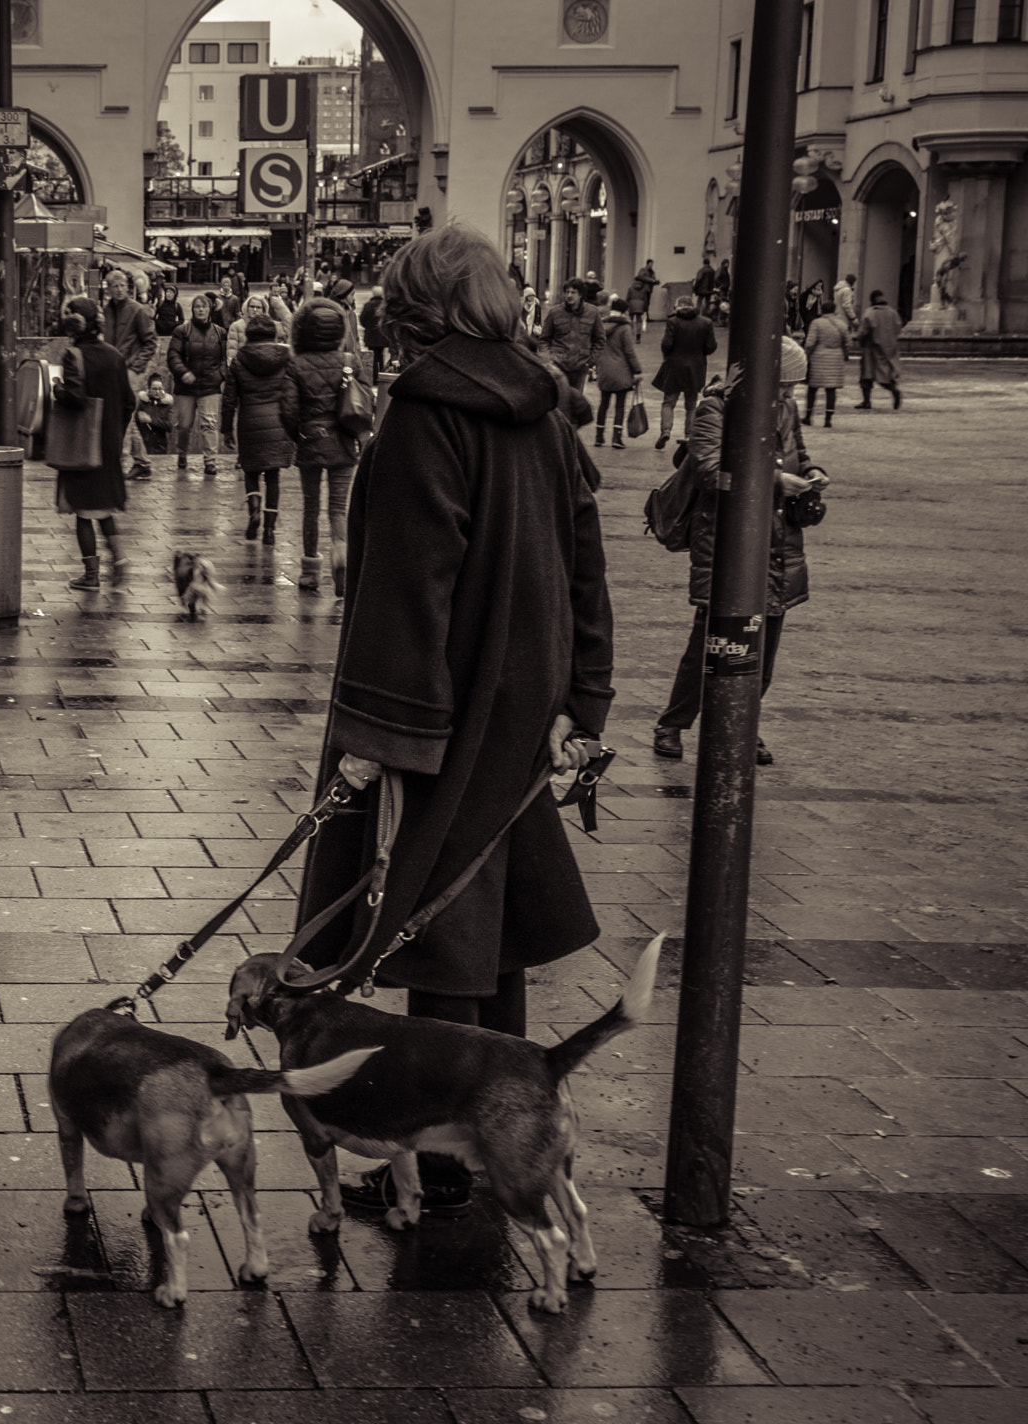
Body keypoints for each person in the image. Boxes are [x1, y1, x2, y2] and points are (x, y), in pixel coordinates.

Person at [292, 223, 614, 1218]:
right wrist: (583, 698)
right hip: (518, 700)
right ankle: (492, 1121)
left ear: (418, 305)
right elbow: (583, 566)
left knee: (435, 927)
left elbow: (405, 588)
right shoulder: (547, 411)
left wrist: (375, 743)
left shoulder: (425, 414)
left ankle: (442, 1151)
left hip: (439, 705)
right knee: (488, 926)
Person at [652, 337, 824, 768]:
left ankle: (743, 720)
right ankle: (672, 722)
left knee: (764, 645)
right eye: (784, 385)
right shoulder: (714, 409)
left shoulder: (786, 409)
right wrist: (775, 482)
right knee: (711, 641)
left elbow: (798, 454)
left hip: (778, 538)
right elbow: (711, 471)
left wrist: (812, 472)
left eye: (793, 386)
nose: (790, 394)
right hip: (725, 539)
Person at [53, 296, 137, 590]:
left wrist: (59, 390)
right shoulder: (115, 355)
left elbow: (76, 398)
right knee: (104, 508)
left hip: (82, 444)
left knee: (83, 510)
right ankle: (121, 561)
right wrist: (115, 432)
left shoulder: (73, 355)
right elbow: (130, 401)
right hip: (109, 443)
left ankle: (91, 575)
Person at [287, 294, 361, 594]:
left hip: (311, 442)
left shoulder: (297, 364)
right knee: (339, 509)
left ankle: (310, 572)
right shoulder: (349, 361)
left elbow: (288, 410)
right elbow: (363, 403)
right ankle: (341, 557)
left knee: (311, 508)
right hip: (343, 443)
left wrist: (299, 435)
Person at [223, 313, 299, 545]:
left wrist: (226, 429)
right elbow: (293, 392)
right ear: (272, 334)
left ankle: (254, 508)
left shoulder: (239, 360)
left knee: (251, 472)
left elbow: (229, 399)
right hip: (279, 423)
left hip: (250, 423)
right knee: (273, 476)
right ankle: (269, 530)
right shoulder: (286, 357)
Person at [101, 271, 158, 480]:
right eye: (114, 286)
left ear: (128, 286)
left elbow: (151, 341)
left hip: (130, 371)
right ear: (108, 288)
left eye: (122, 285)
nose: (119, 289)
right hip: (113, 370)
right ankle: (142, 462)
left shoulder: (137, 310)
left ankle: (120, 462)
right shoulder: (106, 311)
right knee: (127, 417)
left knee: (121, 416)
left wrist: (135, 366)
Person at [165, 295, 227, 478]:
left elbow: (225, 359)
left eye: (204, 307)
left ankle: (210, 461)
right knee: (184, 425)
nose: (200, 310)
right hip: (186, 387)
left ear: (210, 309)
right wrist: (183, 372)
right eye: (197, 307)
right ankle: (182, 453)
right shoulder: (182, 331)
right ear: (192, 310)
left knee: (209, 424)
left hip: (210, 386)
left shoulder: (219, 332)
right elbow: (173, 355)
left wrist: (220, 376)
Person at [652, 295, 717, 451]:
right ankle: (689, 435)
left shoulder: (673, 322)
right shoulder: (706, 323)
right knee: (691, 405)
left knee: (668, 402)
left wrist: (668, 354)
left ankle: (666, 430)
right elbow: (711, 346)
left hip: (674, 366)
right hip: (696, 367)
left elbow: (666, 344)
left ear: (678, 306)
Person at [591, 296, 642, 450]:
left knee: (603, 404)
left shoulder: (600, 325)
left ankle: (599, 437)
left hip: (604, 371)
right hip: (621, 372)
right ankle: (616, 438)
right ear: (623, 311)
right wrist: (637, 370)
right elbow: (629, 352)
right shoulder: (624, 328)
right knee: (620, 406)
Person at [539, 280, 603, 398]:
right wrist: (549, 360)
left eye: (573, 292)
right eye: (567, 292)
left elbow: (599, 340)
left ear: (581, 295)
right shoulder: (555, 312)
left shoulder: (592, 313)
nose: (569, 295)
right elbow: (544, 339)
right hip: (558, 365)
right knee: (559, 400)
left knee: (576, 401)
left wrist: (591, 361)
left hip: (580, 365)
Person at [801, 307, 850, 427]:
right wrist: (844, 353)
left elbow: (810, 342)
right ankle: (828, 420)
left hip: (818, 357)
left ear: (822, 311)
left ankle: (808, 416)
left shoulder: (816, 323)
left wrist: (806, 355)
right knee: (831, 389)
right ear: (834, 311)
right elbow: (848, 343)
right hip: (836, 358)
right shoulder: (841, 324)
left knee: (812, 388)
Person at [855, 289, 903, 409]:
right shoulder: (893, 312)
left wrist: (858, 338)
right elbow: (898, 329)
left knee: (867, 376)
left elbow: (863, 331)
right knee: (885, 375)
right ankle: (893, 389)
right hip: (889, 349)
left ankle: (866, 401)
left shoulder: (870, 313)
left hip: (871, 349)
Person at [136, 372, 175, 454]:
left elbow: (170, 426)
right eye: (154, 389)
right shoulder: (142, 403)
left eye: (160, 389)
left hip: (160, 447)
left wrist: (151, 420)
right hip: (143, 446)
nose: (157, 392)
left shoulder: (167, 404)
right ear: (149, 389)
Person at [627, 259, 658, 342]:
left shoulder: (630, 288)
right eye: (650, 264)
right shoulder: (643, 271)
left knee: (631, 319)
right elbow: (643, 278)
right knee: (639, 319)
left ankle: (630, 334)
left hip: (634, 304)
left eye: (652, 264)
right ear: (647, 264)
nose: (651, 265)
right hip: (644, 293)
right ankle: (637, 336)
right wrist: (652, 281)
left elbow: (628, 298)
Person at [360, 286, 388, 373]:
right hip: (383, 335)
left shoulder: (368, 305)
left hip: (371, 335)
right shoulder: (385, 306)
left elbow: (362, 319)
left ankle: (374, 375)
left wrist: (368, 327)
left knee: (374, 357)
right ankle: (382, 373)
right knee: (381, 356)